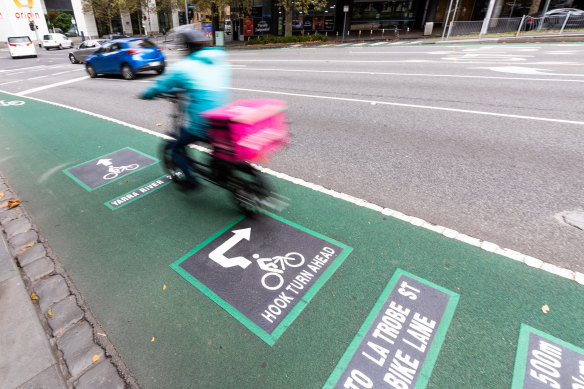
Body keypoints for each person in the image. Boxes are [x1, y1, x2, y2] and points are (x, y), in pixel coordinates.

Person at [140, 27, 231, 189]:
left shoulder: (185, 67)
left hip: (204, 123)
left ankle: (191, 180)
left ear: (187, 47)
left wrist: (146, 95)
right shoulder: (218, 58)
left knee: (176, 148)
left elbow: (162, 86)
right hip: (223, 118)